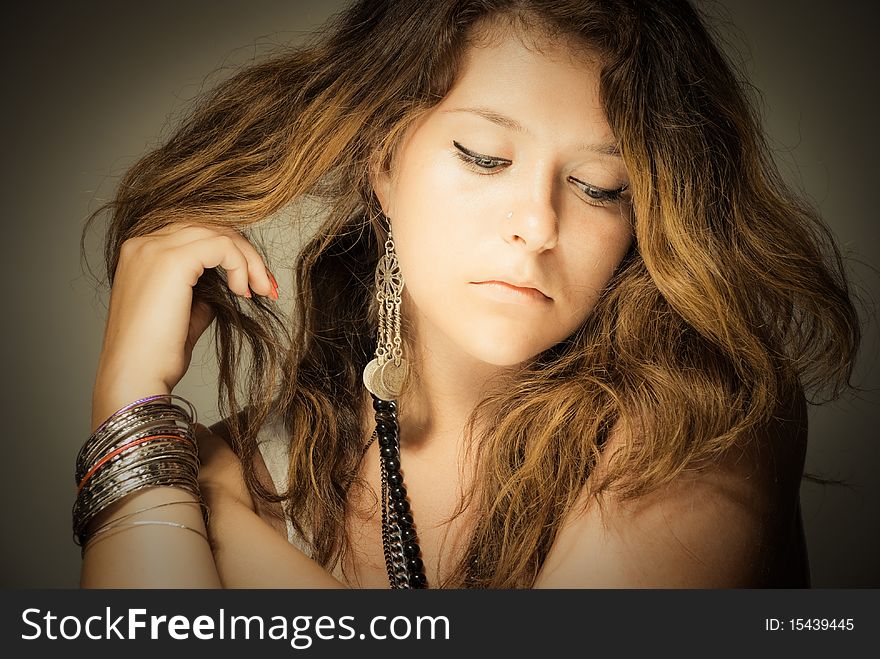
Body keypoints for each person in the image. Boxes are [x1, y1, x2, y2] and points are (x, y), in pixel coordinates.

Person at [77, 0, 860, 589]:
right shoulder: (253, 463)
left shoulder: (703, 409)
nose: (538, 225)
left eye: (599, 186)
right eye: (485, 157)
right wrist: (129, 400)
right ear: (383, 160)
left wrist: (199, 509)